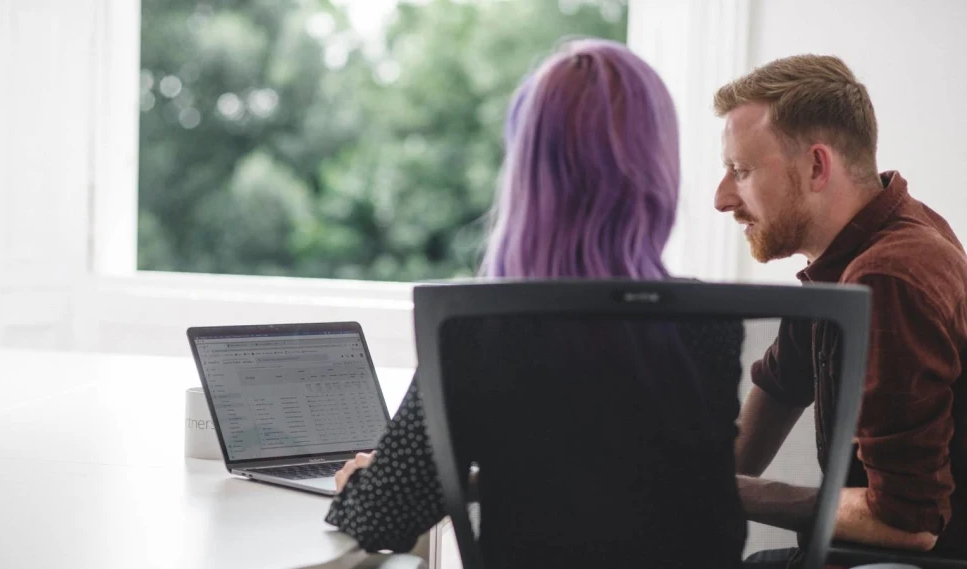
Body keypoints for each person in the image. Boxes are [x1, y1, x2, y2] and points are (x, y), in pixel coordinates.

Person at [324, 38, 748, 567]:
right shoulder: (707, 321)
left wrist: (363, 482)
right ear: (656, 166)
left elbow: (384, 517)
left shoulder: (481, 326)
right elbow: (636, 488)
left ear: (529, 171)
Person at [713, 54, 967, 566]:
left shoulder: (889, 277)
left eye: (739, 171)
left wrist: (725, 490)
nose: (722, 198)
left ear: (816, 166)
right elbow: (783, 385)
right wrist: (700, 485)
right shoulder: (848, 252)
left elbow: (907, 522)